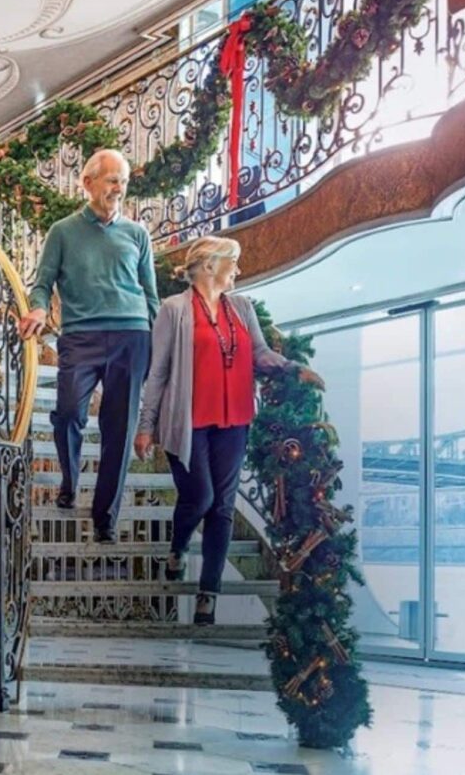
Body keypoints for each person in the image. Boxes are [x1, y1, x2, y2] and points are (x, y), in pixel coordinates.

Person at [133, 236, 323, 625]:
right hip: (187, 422)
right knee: (199, 496)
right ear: (209, 266)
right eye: (231, 263)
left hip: (234, 420)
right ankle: (178, 546)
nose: (237, 270)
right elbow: (159, 372)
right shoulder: (174, 310)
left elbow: (258, 353)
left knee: (221, 506)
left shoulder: (242, 307)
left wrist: (291, 368)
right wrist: (145, 425)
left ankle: (209, 593)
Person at [17, 148, 158, 543]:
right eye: (112, 179)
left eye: (124, 182)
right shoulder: (63, 232)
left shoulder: (137, 234)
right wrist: (39, 310)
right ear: (88, 182)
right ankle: (70, 478)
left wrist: (155, 338)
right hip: (80, 336)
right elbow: (42, 283)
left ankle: (105, 518)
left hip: (132, 335)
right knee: (66, 414)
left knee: (120, 428)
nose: (119, 188)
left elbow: (150, 293)